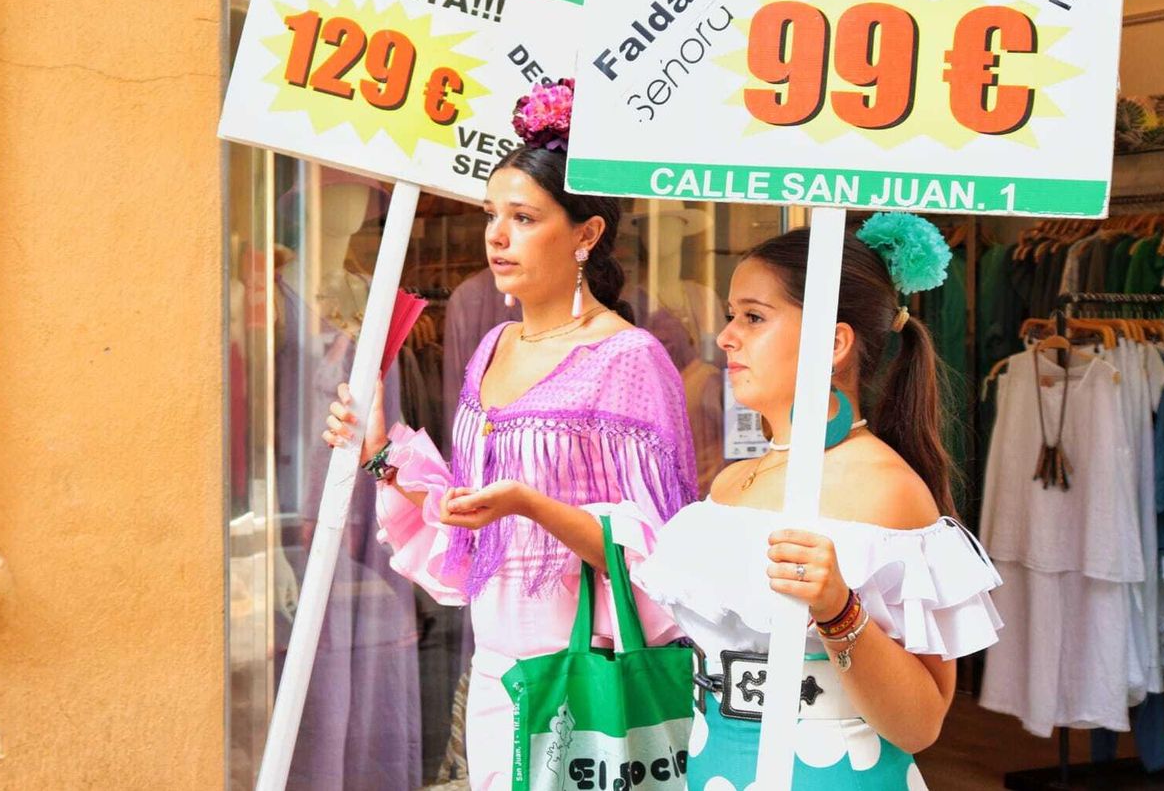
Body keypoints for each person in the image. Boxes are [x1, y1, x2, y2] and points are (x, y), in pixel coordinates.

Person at [322, 80, 700, 790]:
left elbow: (658, 554)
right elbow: (469, 517)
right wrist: (379, 453)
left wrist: (530, 505)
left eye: (523, 217)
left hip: (587, 679)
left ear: (587, 234)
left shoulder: (627, 359)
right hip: (495, 669)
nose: (496, 235)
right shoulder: (493, 344)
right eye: (492, 214)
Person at [636, 215, 1004, 789]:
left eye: (754, 317)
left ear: (833, 342)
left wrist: (839, 609)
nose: (726, 336)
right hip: (712, 766)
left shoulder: (888, 491)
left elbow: (920, 724)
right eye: (732, 315)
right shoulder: (732, 484)